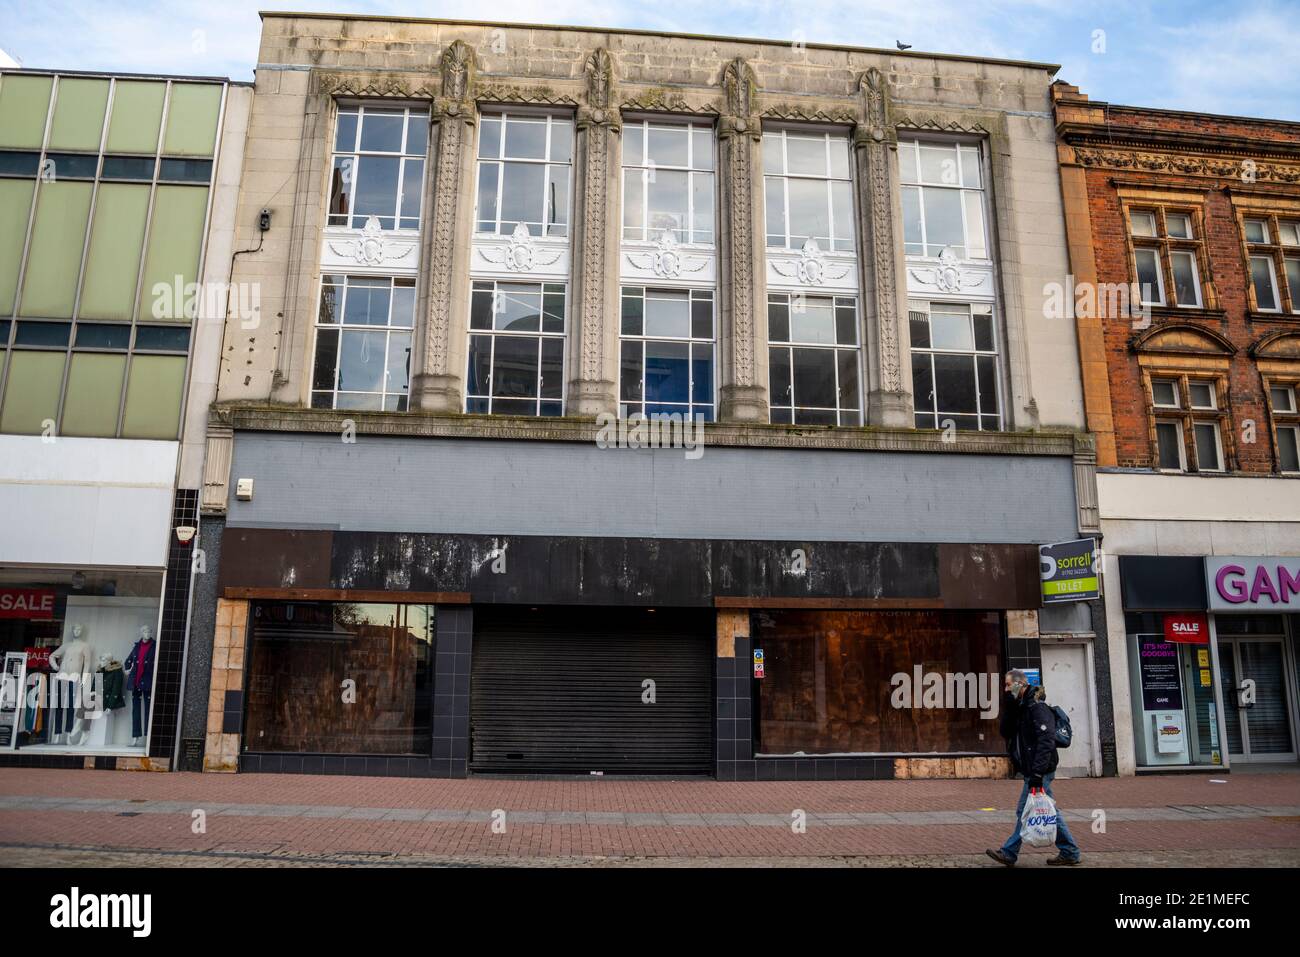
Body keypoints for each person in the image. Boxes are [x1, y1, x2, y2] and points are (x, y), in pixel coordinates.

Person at [986, 669, 1081, 866]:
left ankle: (1009, 852)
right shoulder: (1021, 707)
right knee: (1045, 808)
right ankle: (1070, 850)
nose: (1005, 688)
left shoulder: (1037, 707)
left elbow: (1046, 741)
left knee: (1025, 810)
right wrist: (1010, 707)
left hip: (1040, 769)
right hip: (1032, 769)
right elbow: (1005, 731)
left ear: (1020, 684)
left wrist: (1037, 773)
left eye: (1007, 684)